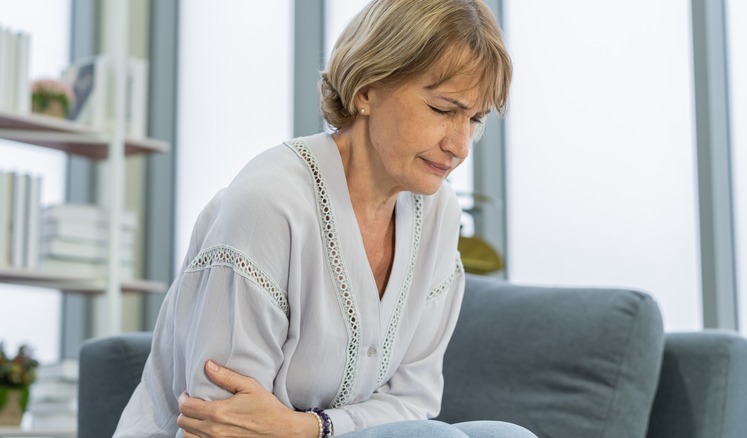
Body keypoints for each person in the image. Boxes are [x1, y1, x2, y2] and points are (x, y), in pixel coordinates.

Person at [115, 0, 536, 437]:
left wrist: (309, 429)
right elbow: (224, 422)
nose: (460, 146)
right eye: (444, 110)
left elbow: (415, 400)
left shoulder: (438, 214)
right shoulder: (270, 202)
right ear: (366, 90)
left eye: (475, 119)